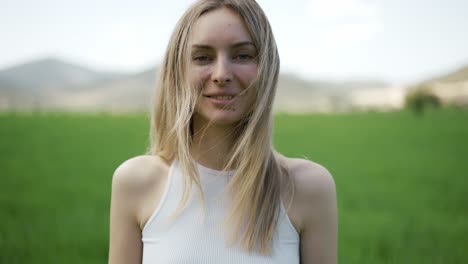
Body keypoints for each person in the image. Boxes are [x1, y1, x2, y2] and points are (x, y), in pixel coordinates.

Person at [108, 0, 338, 263]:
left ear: (267, 68)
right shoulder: (136, 183)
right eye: (203, 57)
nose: (221, 74)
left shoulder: (308, 188)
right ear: (178, 71)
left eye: (242, 55)